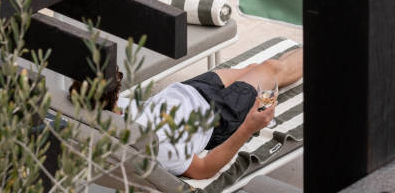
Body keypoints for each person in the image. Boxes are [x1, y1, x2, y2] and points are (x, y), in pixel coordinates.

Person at [69, 47, 302, 181]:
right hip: (216, 114)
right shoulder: (154, 144)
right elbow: (204, 169)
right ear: (114, 94)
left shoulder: (104, 110)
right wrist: (248, 127)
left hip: (189, 90)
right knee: (272, 69)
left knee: (253, 69)